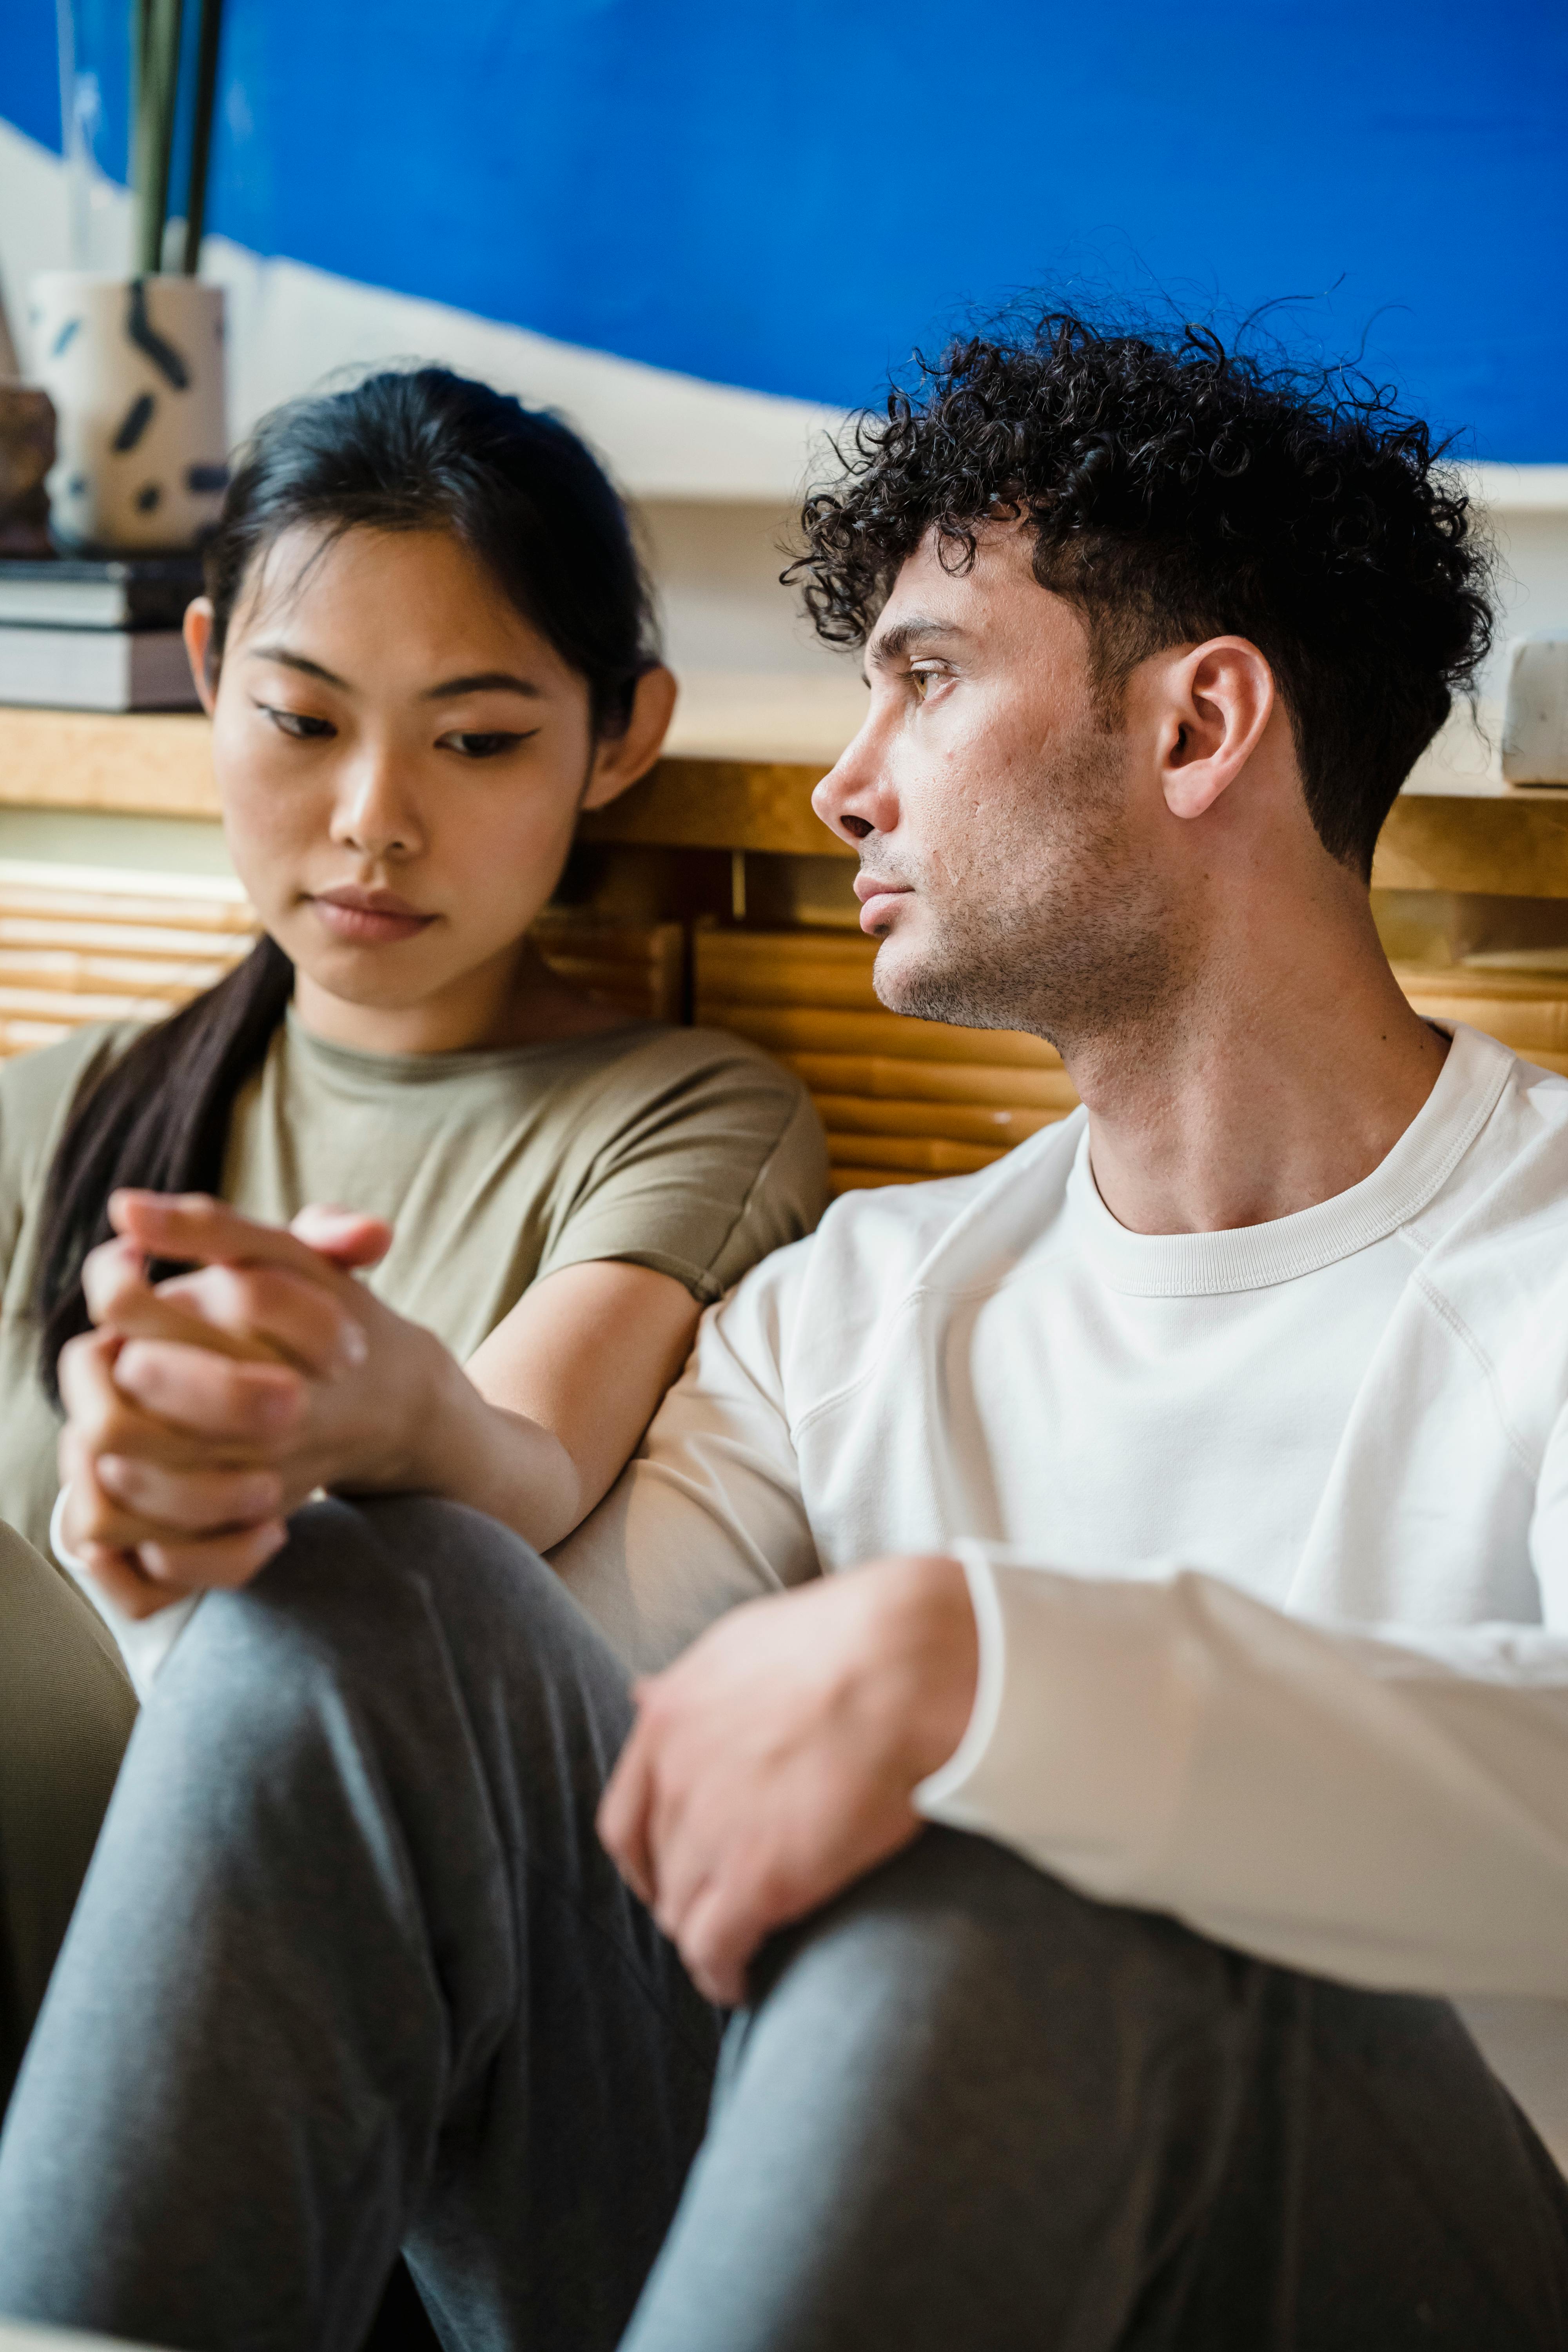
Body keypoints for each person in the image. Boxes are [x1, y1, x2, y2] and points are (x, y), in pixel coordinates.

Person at [5, 311, 1568, 2350]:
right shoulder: (851, 1309)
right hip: (857, 2248)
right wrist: (226, 1542)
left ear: (1199, 733)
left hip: (1413, 2264)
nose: (841, 784)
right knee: (381, 1591)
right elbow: (496, 1798)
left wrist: (1003, 1668)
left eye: (922, 680)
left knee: (1014, 1879)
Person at [0, 364, 826, 2103]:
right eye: (303, 721)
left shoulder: (685, 1116)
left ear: (622, 738)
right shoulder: (61, 1115)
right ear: (210, 670)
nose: (374, 814)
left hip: (355, 1990)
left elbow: (522, 1467)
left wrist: (382, 1410)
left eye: (476, 740)